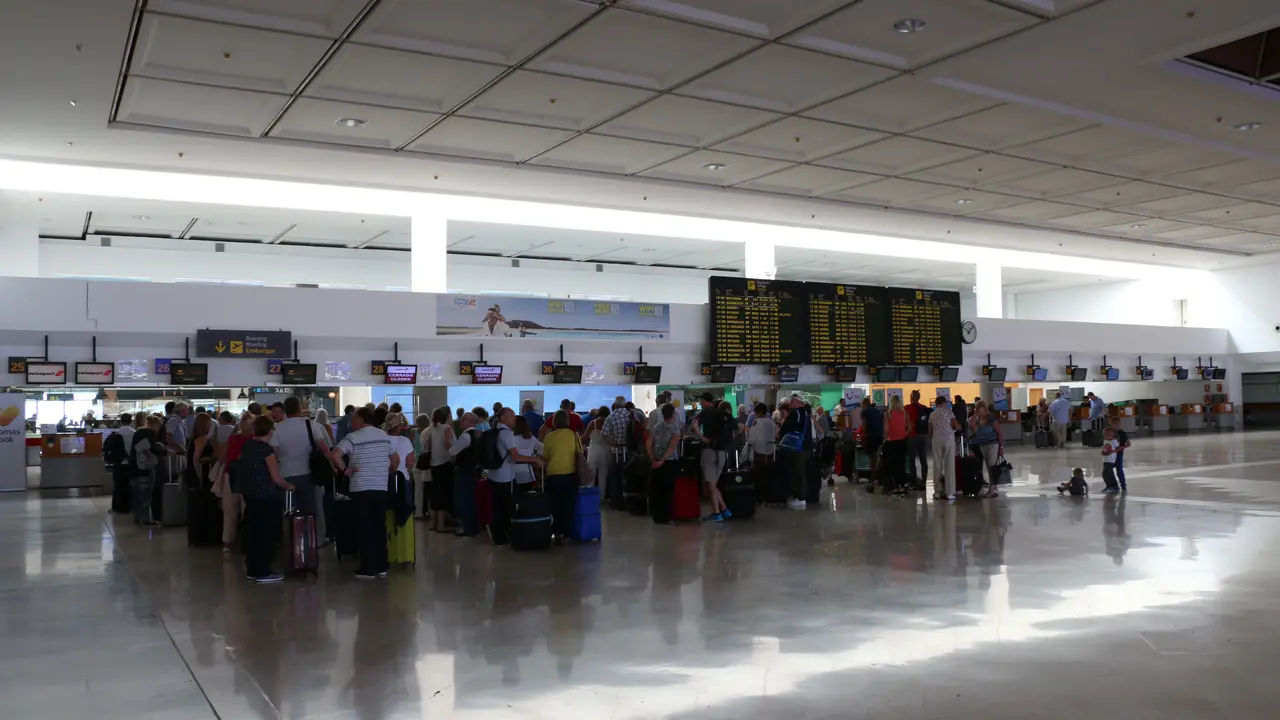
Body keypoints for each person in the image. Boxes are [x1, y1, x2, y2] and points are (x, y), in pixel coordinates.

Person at [332, 407, 398, 579]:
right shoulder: (383, 435)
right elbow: (395, 458)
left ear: (361, 420)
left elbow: (335, 455)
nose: (351, 422)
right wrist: (387, 471)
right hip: (380, 487)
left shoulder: (352, 437)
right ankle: (382, 566)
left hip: (361, 487)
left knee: (365, 527)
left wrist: (345, 470)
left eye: (353, 419)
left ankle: (368, 568)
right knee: (379, 526)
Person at [237, 415, 295, 584]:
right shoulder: (267, 451)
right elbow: (276, 478)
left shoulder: (248, 445)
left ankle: (252, 569)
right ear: (270, 430)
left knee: (253, 533)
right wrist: (288, 486)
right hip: (266, 497)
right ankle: (264, 571)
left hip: (250, 495)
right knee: (265, 535)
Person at [271, 396, 334, 542]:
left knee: (288, 512)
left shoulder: (278, 427)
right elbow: (324, 449)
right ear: (300, 408)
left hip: (285, 474)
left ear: (285, 409)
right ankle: (308, 545)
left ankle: (291, 545)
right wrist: (334, 467)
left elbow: (274, 452)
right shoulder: (311, 425)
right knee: (308, 512)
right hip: (307, 474)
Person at [491, 408, 545, 546]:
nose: (514, 419)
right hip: (506, 477)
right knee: (507, 506)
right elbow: (515, 456)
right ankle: (502, 536)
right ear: (503, 417)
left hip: (496, 474)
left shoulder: (496, 430)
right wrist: (535, 460)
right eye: (511, 416)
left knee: (499, 506)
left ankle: (500, 535)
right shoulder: (507, 434)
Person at [541, 410, 583, 543]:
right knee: (568, 505)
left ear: (554, 421)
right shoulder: (573, 435)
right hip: (570, 475)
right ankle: (567, 533)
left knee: (555, 506)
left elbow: (545, 457)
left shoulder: (549, 437)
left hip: (553, 476)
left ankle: (557, 533)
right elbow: (580, 453)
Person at [694, 393, 732, 521]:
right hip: (722, 452)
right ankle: (724, 510)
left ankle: (717, 513)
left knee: (711, 485)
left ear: (705, 401)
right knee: (714, 485)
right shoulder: (723, 414)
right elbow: (740, 427)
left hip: (709, 451)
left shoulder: (705, 413)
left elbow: (694, 425)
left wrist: (702, 436)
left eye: (701, 400)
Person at [219, 413, 253, 552]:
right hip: (249, 476)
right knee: (248, 509)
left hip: (230, 474)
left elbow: (224, 457)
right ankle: (249, 539)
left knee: (230, 510)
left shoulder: (233, 439)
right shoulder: (255, 440)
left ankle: (228, 541)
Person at [447, 412, 482, 539]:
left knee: (463, 500)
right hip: (473, 469)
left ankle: (468, 529)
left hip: (463, 470)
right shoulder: (476, 435)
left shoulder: (465, 436)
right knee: (471, 499)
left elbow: (453, 451)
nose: (461, 422)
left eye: (464, 420)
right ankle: (474, 527)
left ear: (470, 422)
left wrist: (450, 440)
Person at [646, 403, 681, 525]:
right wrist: (662, 461)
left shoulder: (656, 427)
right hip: (669, 462)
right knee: (668, 490)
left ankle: (657, 516)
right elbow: (671, 447)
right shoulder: (675, 429)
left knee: (656, 490)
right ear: (673, 414)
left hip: (655, 462)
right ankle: (667, 516)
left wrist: (653, 460)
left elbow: (648, 444)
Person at [424, 407, 456, 534]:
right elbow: (454, 445)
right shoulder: (447, 429)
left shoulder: (432, 429)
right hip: (445, 463)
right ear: (447, 416)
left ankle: (433, 523)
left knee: (435, 493)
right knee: (443, 494)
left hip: (433, 464)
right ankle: (441, 526)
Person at [969, 402, 1004, 498]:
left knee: (992, 466)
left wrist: (1001, 448)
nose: (977, 412)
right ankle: (994, 487)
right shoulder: (979, 419)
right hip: (982, 445)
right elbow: (975, 430)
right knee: (989, 468)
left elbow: (999, 433)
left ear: (984, 409)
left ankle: (991, 489)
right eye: (976, 410)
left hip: (993, 444)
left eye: (978, 410)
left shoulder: (991, 419)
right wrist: (974, 419)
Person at [927, 396, 959, 500]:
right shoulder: (949, 412)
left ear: (936, 403)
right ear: (944, 403)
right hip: (948, 440)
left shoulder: (932, 414)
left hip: (936, 440)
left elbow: (930, 432)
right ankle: (949, 492)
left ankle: (937, 491)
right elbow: (956, 425)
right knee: (949, 465)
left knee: (937, 465)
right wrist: (960, 427)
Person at [106, 413, 136, 514]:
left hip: (118, 463)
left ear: (120, 422)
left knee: (118, 486)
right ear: (131, 421)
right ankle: (129, 507)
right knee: (129, 486)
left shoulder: (116, 433)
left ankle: (117, 507)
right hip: (131, 463)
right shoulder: (134, 433)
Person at [882, 395, 911, 498]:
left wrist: (888, 435)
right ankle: (901, 487)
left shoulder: (888, 414)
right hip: (903, 442)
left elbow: (886, 430)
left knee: (890, 465)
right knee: (901, 464)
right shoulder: (904, 413)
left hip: (891, 443)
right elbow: (909, 428)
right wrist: (903, 433)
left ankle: (893, 488)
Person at [905, 390, 931, 487]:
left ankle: (914, 481)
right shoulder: (924, 408)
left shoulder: (907, 408)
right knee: (923, 459)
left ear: (911, 397)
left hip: (912, 436)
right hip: (923, 436)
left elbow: (904, 422)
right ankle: (924, 481)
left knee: (912, 459)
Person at [511, 416, 543, 493]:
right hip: (528, 473)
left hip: (513, 473)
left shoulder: (511, 437)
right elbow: (542, 448)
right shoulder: (530, 438)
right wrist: (535, 458)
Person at [583, 406, 612, 489]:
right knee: (603, 476)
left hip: (593, 451)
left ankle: (590, 496)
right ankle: (602, 498)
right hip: (606, 451)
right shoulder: (609, 423)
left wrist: (576, 440)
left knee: (591, 475)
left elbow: (585, 436)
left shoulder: (593, 423)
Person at [860, 397, 884, 482]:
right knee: (878, 456)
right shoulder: (877, 411)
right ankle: (880, 477)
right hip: (880, 436)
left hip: (871, 436)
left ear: (864, 404)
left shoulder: (864, 411)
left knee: (872, 458)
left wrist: (863, 434)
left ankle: (872, 479)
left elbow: (864, 426)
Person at [1109, 416, 1131, 492]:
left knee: (1119, 470)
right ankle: (1113, 485)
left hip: (1119, 454)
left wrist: (1122, 447)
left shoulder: (1123, 433)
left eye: (1115, 423)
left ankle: (1123, 486)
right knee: (1108, 470)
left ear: (1118, 424)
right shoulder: (1109, 432)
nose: (1113, 425)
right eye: (1112, 423)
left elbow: (1128, 443)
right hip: (1111, 454)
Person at [1100, 427, 1121, 493]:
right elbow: (1105, 449)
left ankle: (1110, 486)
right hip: (1105, 460)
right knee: (1108, 473)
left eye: (1107, 435)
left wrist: (1113, 451)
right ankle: (1114, 486)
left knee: (1106, 474)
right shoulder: (1106, 441)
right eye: (1104, 435)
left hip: (1110, 460)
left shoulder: (1114, 441)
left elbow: (1119, 448)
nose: (1105, 436)